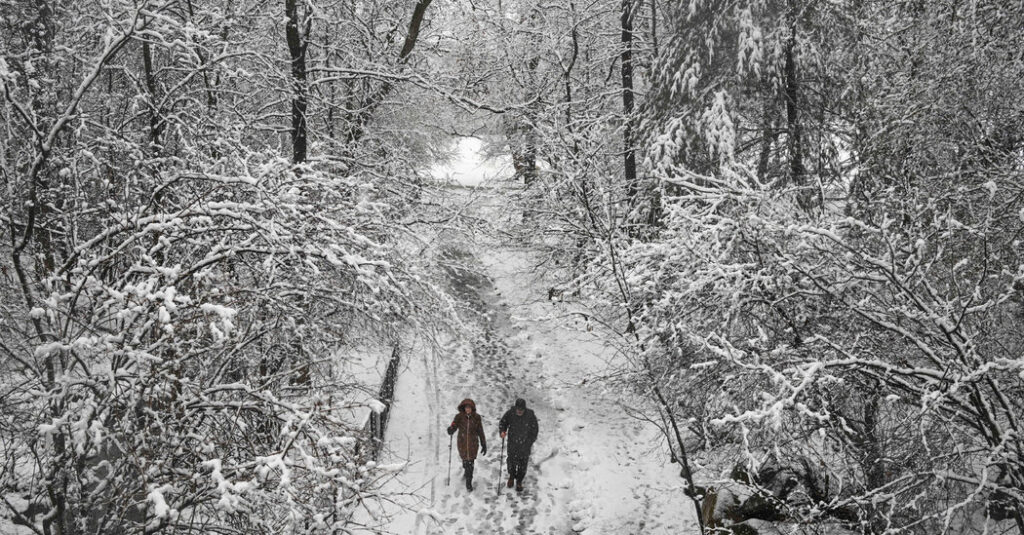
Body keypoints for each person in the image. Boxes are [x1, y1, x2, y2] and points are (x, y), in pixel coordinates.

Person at [499, 398, 539, 492]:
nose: (519, 411)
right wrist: (502, 431)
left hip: (525, 444)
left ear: (524, 409)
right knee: (511, 461)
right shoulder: (510, 413)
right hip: (512, 443)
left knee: (523, 463)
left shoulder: (530, 415)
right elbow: (503, 422)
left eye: (521, 410)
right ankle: (512, 477)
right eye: (518, 409)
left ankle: (519, 481)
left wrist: (530, 441)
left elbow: (535, 429)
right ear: (515, 408)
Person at [447, 398, 487, 491]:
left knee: (471, 462)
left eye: (469, 408)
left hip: (473, 443)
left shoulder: (476, 418)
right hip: (462, 443)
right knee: (465, 461)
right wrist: (451, 429)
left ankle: (468, 482)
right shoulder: (459, 417)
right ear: (463, 408)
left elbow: (480, 431)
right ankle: (466, 470)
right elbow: (454, 425)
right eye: (466, 408)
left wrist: (483, 443)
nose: (467, 409)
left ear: (472, 408)